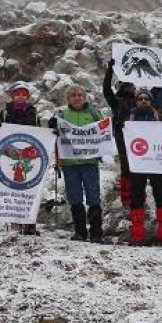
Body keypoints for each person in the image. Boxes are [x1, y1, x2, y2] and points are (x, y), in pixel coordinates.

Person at [49, 85, 105, 243]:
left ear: (84, 97)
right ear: (68, 99)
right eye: (73, 95)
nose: (77, 97)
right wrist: (53, 124)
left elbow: (104, 130)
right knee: (75, 198)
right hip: (70, 163)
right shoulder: (62, 114)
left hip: (89, 162)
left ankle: (96, 233)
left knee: (93, 197)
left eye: (80, 95)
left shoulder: (94, 113)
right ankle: (80, 232)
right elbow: (55, 134)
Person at [0, 81, 41, 235]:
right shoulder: (5, 112)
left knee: (30, 188)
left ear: (27, 96)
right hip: (10, 155)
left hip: (28, 155)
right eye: (17, 93)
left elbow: (41, 133)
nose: (20, 96)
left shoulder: (34, 113)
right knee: (11, 188)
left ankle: (29, 223)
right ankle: (14, 222)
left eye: (24, 94)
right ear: (12, 95)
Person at [126, 89, 162, 246]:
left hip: (156, 161)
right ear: (136, 101)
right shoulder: (129, 118)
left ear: (151, 101)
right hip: (137, 162)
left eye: (147, 99)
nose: (143, 101)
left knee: (161, 195)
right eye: (140, 99)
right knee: (137, 196)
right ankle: (137, 235)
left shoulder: (158, 117)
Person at [102, 59, 136, 206]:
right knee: (126, 164)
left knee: (137, 165)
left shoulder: (139, 100)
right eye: (127, 86)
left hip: (138, 135)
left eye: (131, 86)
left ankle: (137, 194)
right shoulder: (116, 101)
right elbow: (106, 89)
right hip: (121, 134)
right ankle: (127, 197)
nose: (130, 88)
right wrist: (110, 70)